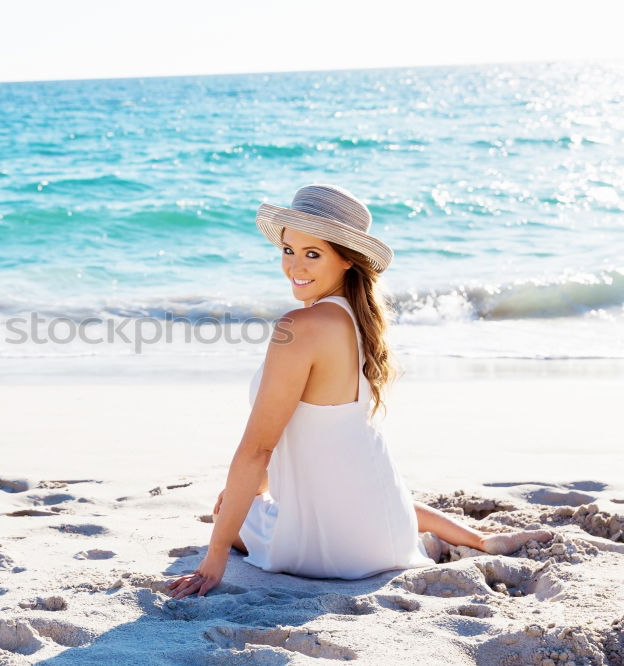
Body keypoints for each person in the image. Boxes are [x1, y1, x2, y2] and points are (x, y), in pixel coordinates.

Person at [166, 184, 553, 600]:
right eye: (288, 250)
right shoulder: (362, 321)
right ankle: (477, 539)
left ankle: (473, 539)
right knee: (309, 487)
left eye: (312, 254)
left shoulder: (299, 327)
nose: (294, 266)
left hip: (333, 553)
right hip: (389, 532)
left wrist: (214, 558)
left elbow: (259, 448)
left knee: (227, 507)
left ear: (346, 259)